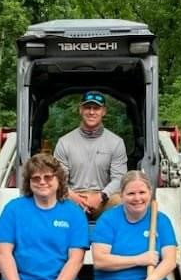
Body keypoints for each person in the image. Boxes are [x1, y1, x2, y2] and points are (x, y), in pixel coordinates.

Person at [53, 91, 127, 219]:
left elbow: (119, 178)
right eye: (87, 107)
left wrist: (101, 196)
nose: (91, 112)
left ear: (104, 111)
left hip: (104, 198)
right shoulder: (64, 142)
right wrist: (74, 197)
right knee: (50, 200)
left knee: (123, 202)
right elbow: (59, 179)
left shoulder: (116, 142)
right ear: (80, 110)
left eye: (96, 108)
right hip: (72, 197)